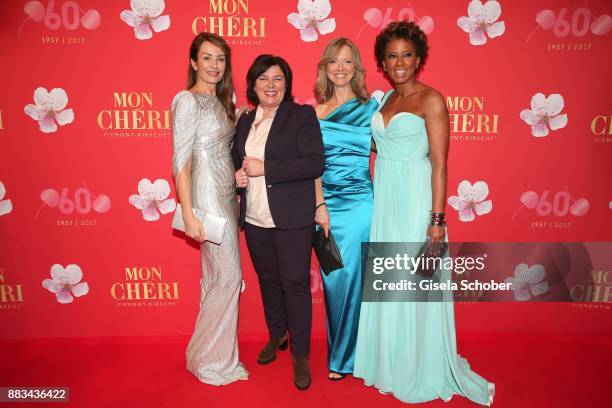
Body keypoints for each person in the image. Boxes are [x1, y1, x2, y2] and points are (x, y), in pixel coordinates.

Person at [353, 21, 495, 405]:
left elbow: (439, 164)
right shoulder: (383, 101)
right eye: (392, 56)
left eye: (407, 55)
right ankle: (389, 364)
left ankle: (417, 367)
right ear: (382, 62)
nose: (400, 62)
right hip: (386, 199)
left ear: (419, 59)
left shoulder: (432, 99)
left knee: (414, 285)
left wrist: (436, 222)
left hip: (416, 200)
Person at [232, 55, 325, 390]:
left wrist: (266, 167)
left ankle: (300, 355)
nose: (270, 85)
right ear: (253, 85)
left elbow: (314, 163)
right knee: (269, 282)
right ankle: (277, 335)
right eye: (263, 79)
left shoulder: (300, 115)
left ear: (287, 85)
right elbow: (237, 161)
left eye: (278, 79)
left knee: (295, 285)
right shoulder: (244, 120)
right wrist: (238, 175)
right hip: (254, 218)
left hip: (291, 218)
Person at [171, 32, 248, 385]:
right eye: (207, 58)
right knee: (229, 277)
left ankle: (206, 356)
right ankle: (211, 362)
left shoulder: (220, 102)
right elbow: (181, 162)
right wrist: (189, 214)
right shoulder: (186, 101)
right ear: (193, 62)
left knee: (220, 278)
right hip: (205, 197)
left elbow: (220, 150)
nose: (215, 65)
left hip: (226, 194)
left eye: (220, 59)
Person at [312, 38, 378, 380]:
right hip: (325, 206)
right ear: (325, 67)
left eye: (348, 62)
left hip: (361, 204)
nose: (340, 67)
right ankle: (345, 352)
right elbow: (311, 166)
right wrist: (319, 203)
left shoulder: (373, 109)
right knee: (334, 281)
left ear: (357, 68)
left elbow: (393, 151)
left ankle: (345, 359)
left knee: (357, 280)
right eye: (334, 61)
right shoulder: (313, 113)